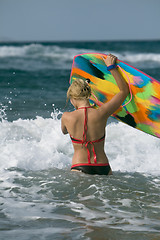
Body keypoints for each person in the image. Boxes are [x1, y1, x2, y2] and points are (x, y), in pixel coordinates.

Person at [61, 54, 129, 175]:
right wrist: (111, 67)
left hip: (80, 166)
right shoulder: (102, 112)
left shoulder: (67, 117)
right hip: (103, 166)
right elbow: (124, 91)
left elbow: (65, 131)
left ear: (72, 98)